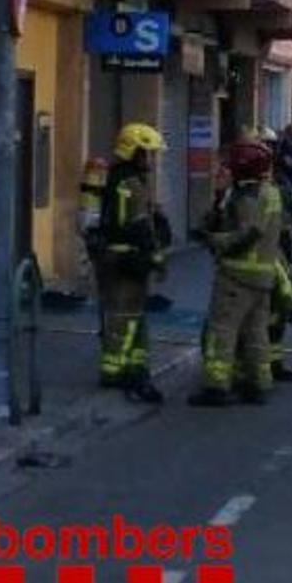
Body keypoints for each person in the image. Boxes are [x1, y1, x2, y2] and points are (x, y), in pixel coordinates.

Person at [188, 140, 284, 406]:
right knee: (256, 332)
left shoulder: (246, 197)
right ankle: (259, 383)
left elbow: (247, 233)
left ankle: (217, 387)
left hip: (237, 275)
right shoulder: (271, 192)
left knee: (223, 329)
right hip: (263, 276)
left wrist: (214, 240)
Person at [97, 123, 168, 404]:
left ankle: (133, 365)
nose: (149, 160)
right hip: (128, 259)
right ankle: (116, 371)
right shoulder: (132, 184)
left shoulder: (115, 178)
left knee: (130, 317)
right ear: (132, 151)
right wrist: (156, 257)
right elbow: (140, 227)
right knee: (124, 319)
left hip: (115, 257)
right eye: (145, 153)